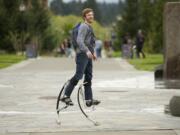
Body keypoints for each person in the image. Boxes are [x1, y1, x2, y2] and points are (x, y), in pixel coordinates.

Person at [61, 8, 101, 107]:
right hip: (83, 55)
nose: (91, 16)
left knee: (88, 77)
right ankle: (65, 95)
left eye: (92, 14)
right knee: (79, 75)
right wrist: (87, 51)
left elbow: (89, 42)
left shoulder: (89, 27)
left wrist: (93, 52)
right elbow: (79, 40)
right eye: (89, 15)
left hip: (88, 55)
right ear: (84, 17)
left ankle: (88, 99)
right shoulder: (84, 26)